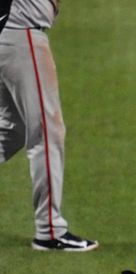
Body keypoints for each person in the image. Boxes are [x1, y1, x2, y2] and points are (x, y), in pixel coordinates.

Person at [0, 0, 98, 251]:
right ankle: (50, 230)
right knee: (46, 131)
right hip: (20, 32)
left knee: (13, 130)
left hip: (11, 32)